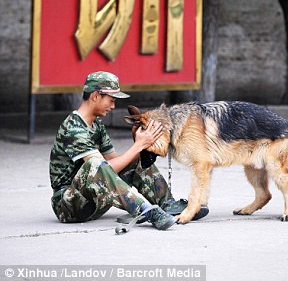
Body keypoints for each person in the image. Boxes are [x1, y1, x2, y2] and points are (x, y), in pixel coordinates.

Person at [49, 71, 208, 232]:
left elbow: (118, 163)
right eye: (111, 100)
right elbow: (103, 168)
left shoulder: (96, 124)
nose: (113, 106)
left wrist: (146, 144)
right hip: (69, 206)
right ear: (95, 96)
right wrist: (138, 145)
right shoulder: (74, 128)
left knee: (134, 160)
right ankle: (146, 210)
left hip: (94, 202)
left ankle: (167, 204)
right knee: (96, 164)